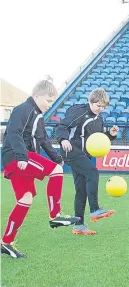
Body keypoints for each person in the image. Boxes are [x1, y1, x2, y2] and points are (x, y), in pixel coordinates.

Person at [1, 80, 80, 258]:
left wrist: (56, 158)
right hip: (17, 156)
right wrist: (21, 156)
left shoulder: (38, 116)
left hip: (19, 158)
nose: (50, 105)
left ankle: (6, 243)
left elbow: (43, 140)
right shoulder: (23, 109)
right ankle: (55, 215)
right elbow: (14, 132)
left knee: (25, 199)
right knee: (56, 172)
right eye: (48, 100)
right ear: (36, 96)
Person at [55, 88, 118, 235]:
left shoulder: (99, 119)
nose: (100, 109)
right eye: (98, 106)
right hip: (71, 151)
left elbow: (99, 139)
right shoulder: (79, 112)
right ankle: (95, 209)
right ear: (90, 101)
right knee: (93, 173)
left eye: (103, 107)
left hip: (84, 155)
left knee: (81, 190)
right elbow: (62, 126)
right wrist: (63, 139)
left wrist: (110, 135)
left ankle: (79, 225)